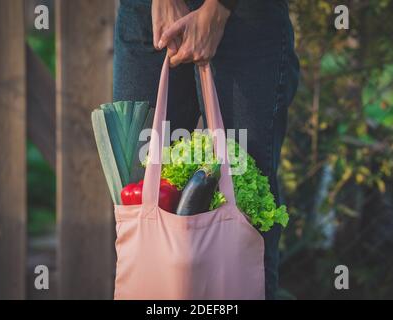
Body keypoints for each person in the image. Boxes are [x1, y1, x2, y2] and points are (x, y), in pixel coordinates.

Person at [113, 0, 299, 299]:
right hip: (149, 12)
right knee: (140, 202)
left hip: (244, 15)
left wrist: (218, 8)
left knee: (243, 210)